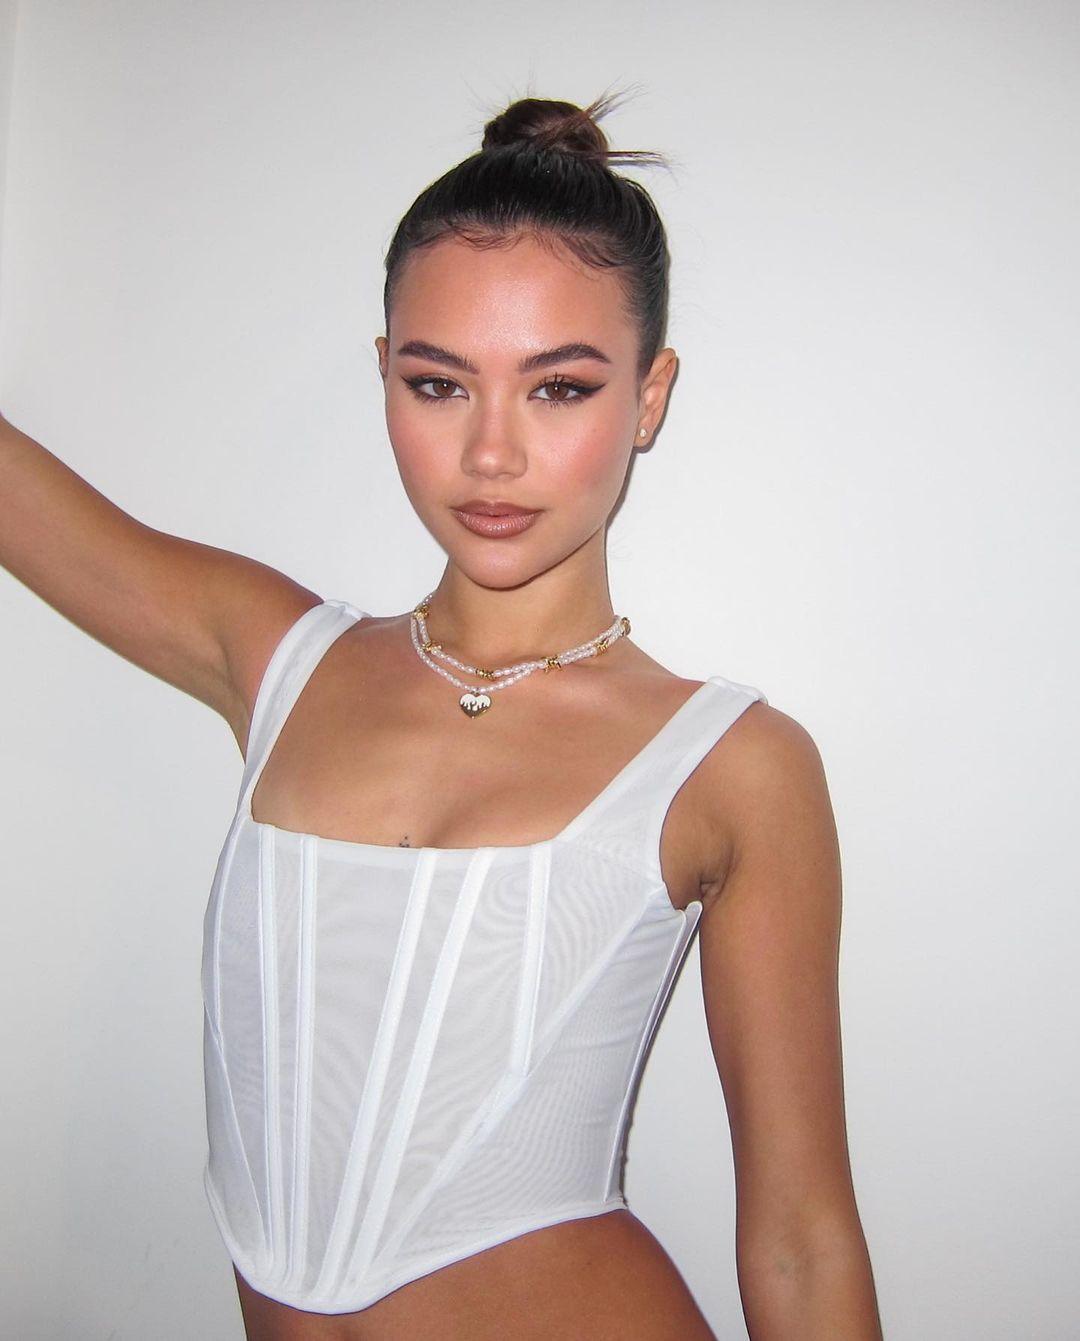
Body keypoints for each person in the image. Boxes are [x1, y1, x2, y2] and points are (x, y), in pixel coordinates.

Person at [0, 88, 883, 1340]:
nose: (490, 455)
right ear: (385, 377)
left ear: (649, 397)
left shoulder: (733, 765)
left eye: (559, 389)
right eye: (438, 384)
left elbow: (800, 1241)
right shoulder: (280, 660)